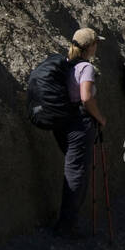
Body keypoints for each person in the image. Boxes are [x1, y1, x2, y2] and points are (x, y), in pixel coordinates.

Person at [54, 28, 107, 237]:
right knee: (77, 174)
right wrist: (100, 118)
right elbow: (86, 98)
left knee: (72, 171)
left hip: (63, 122)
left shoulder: (67, 65)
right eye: (96, 43)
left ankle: (67, 223)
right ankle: (66, 226)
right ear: (90, 46)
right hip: (80, 124)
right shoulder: (86, 68)